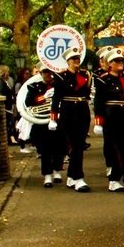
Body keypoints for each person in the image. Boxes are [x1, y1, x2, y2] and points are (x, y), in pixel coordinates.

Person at [93, 48, 124, 194]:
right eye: (117, 61)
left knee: (121, 149)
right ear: (110, 63)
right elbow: (99, 102)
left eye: (121, 60)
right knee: (119, 150)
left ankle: (114, 180)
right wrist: (98, 122)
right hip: (111, 117)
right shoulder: (103, 80)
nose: (120, 63)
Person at [50, 46, 92, 192]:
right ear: (67, 61)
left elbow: (86, 95)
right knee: (74, 145)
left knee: (79, 145)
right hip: (68, 112)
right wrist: (53, 118)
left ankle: (71, 176)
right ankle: (78, 178)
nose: (76, 61)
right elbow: (56, 98)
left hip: (82, 111)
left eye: (78, 59)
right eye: (73, 59)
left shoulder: (86, 76)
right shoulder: (61, 77)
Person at [25, 63, 65, 187]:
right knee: (45, 149)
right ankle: (47, 175)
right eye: (45, 72)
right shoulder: (34, 86)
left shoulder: (60, 84)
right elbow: (28, 102)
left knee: (59, 147)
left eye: (49, 72)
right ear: (41, 74)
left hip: (57, 120)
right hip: (42, 123)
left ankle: (57, 171)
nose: (48, 74)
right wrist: (43, 97)